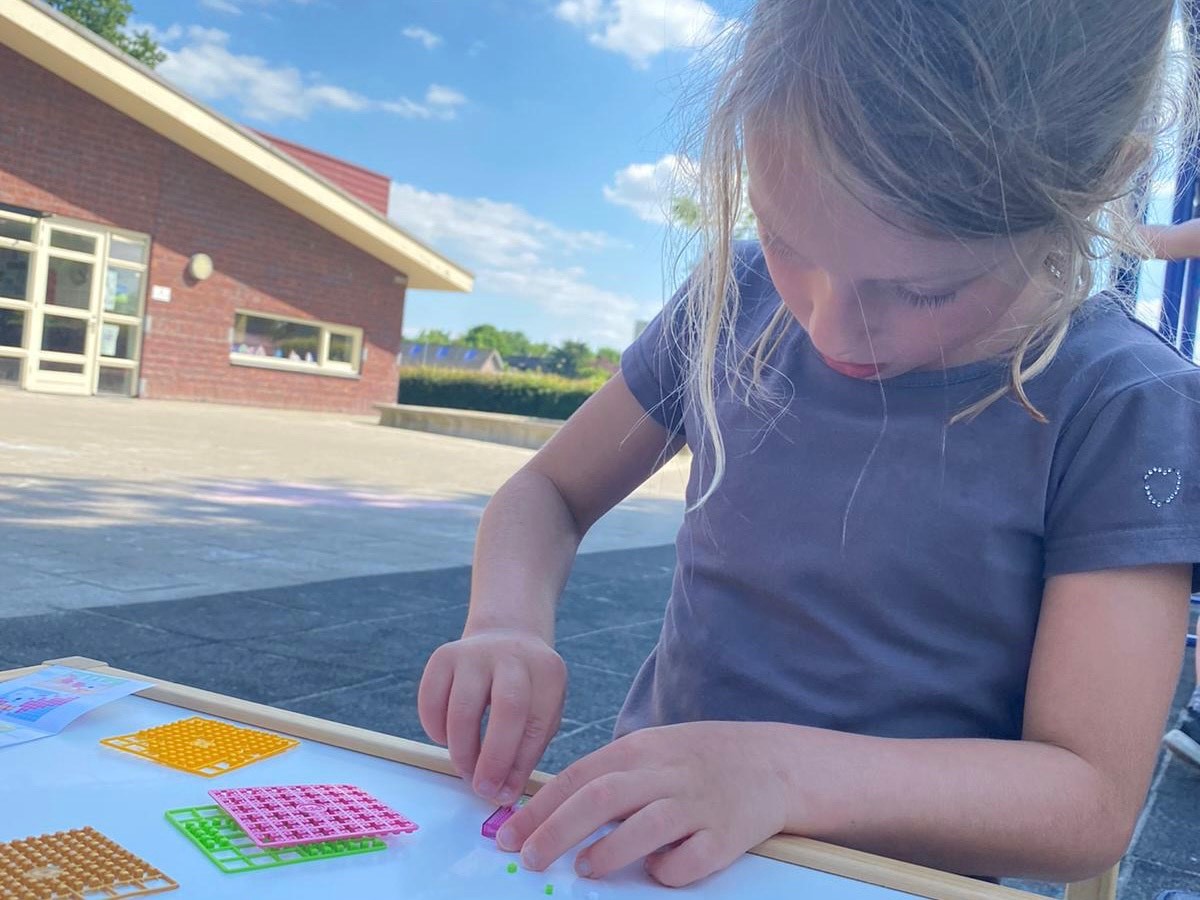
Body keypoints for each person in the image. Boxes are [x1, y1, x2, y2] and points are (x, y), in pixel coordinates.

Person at [418, 0, 1200, 887]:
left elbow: (1088, 801)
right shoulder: (736, 299)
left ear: (1100, 181)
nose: (833, 328)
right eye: (787, 241)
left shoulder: (1124, 405)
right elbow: (549, 494)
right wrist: (508, 624)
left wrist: (780, 775)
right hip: (655, 862)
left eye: (925, 291)